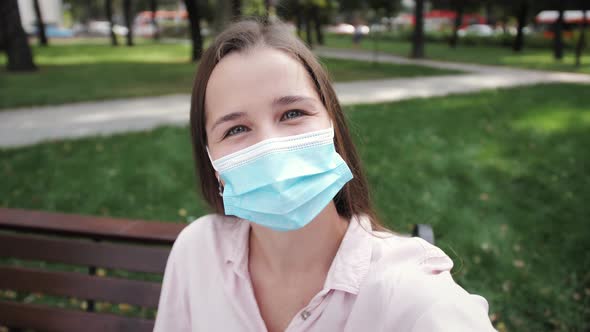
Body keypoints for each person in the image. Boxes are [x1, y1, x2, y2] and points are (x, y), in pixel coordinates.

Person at [154, 18, 496, 332]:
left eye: (292, 113)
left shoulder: (410, 295)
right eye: (236, 129)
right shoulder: (196, 252)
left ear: (332, 125)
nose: (271, 146)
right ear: (212, 160)